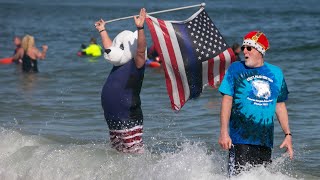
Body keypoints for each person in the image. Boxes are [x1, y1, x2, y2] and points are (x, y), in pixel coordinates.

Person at [218, 31, 293, 176]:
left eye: (249, 48)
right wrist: (223, 132)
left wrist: (288, 134)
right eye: (243, 47)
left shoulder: (276, 73)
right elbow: (227, 100)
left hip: (265, 141)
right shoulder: (235, 69)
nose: (243, 51)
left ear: (260, 50)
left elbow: (280, 105)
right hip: (240, 139)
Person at [95, 8, 147, 153]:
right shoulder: (118, 64)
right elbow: (110, 48)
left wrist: (140, 28)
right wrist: (102, 30)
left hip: (128, 114)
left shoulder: (137, 63)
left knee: (134, 153)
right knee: (118, 153)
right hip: (112, 114)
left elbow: (141, 50)